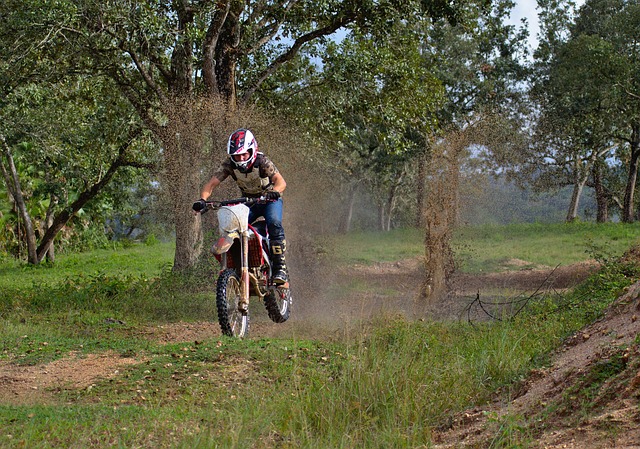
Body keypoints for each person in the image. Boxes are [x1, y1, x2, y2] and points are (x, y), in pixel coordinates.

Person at [192, 128, 289, 284]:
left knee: (274, 222)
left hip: (270, 200)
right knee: (234, 226)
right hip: (249, 202)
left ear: (253, 150)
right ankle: (240, 268)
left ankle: (280, 267)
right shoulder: (229, 165)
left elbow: (280, 181)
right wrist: (202, 200)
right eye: (237, 155)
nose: (241, 158)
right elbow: (210, 184)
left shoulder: (262, 161)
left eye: (244, 154)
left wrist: (274, 192)